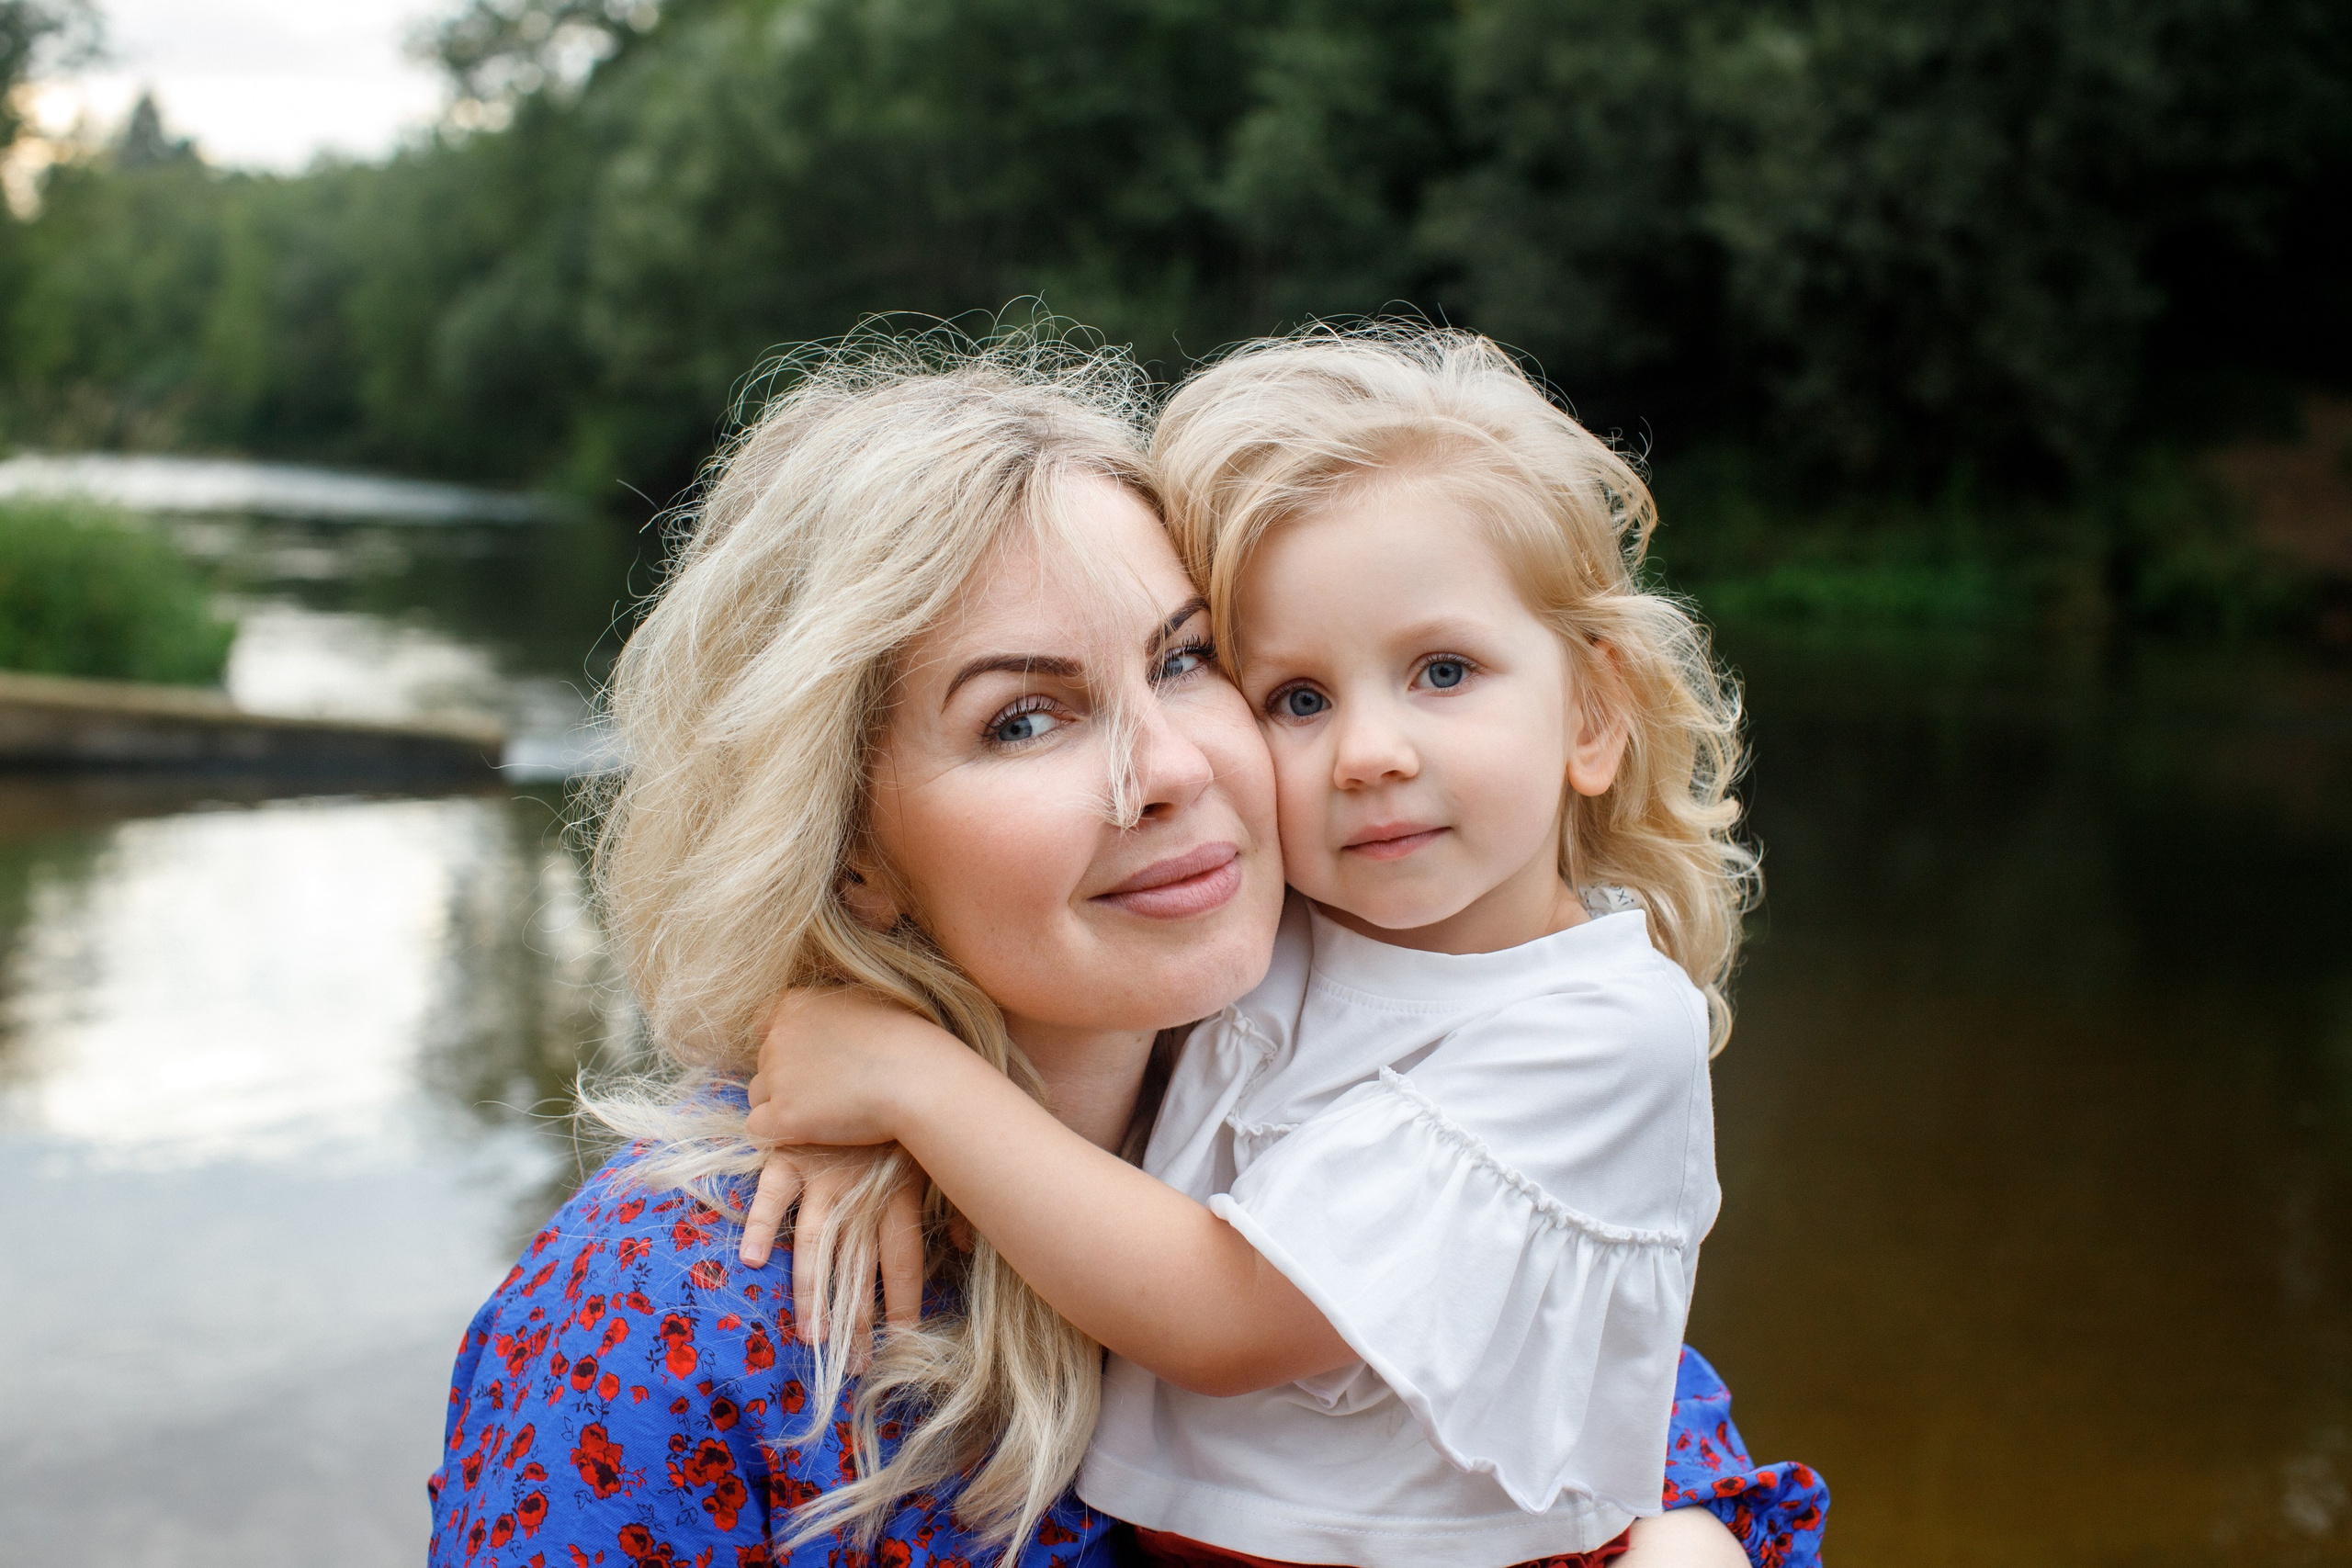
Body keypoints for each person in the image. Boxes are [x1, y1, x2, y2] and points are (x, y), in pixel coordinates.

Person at [424, 333, 1822, 1567]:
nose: (1165, 770)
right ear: (849, 847)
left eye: (1185, 660)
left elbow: (1650, 1443)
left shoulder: (1372, 1090)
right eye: (1023, 720)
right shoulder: (683, 1307)